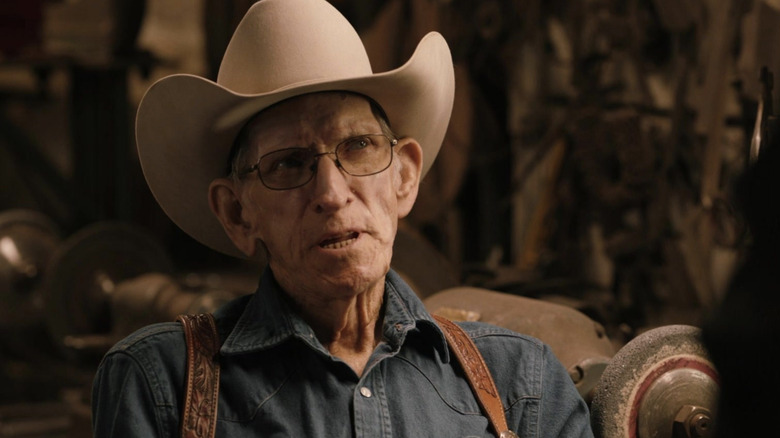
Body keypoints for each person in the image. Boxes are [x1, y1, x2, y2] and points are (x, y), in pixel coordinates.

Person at [91, 0, 593, 436]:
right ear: (237, 212)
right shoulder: (161, 384)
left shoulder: (522, 380)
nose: (331, 193)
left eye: (358, 147)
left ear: (404, 178)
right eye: (288, 164)